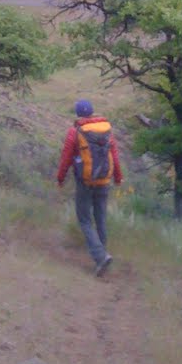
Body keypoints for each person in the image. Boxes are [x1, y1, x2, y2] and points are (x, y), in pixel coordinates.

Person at [57, 99, 123, 276]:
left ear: (78, 113)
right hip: (104, 181)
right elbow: (114, 155)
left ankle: (101, 257)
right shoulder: (106, 130)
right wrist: (118, 176)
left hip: (85, 182)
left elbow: (66, 157)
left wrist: (60, 178)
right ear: (92, 112)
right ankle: (103, 256)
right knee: (100, 218)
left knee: (85, 220)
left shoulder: (75, 131)